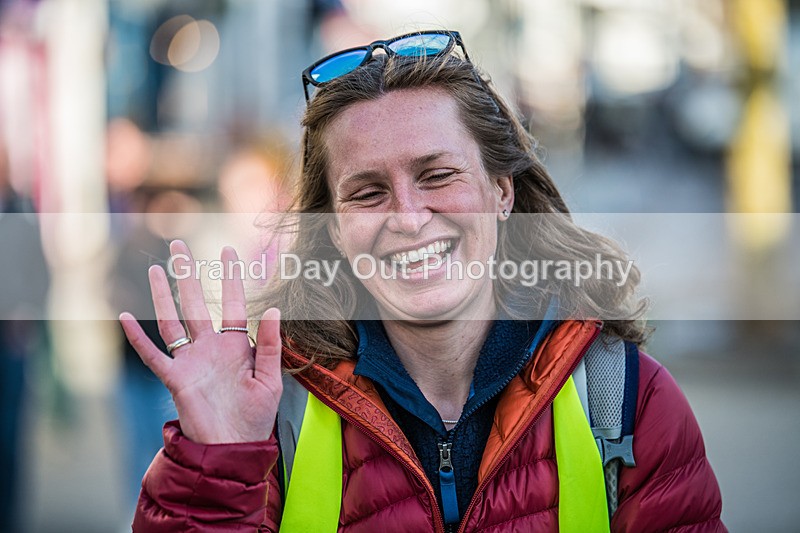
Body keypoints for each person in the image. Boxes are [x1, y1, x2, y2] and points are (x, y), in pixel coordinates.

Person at [120, 30, 725, 532]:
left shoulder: (623, 398)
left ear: (502, 191)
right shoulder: (277, 414)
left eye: (437, 175)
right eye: (367, 192)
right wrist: (215, 472)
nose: (407, 218)